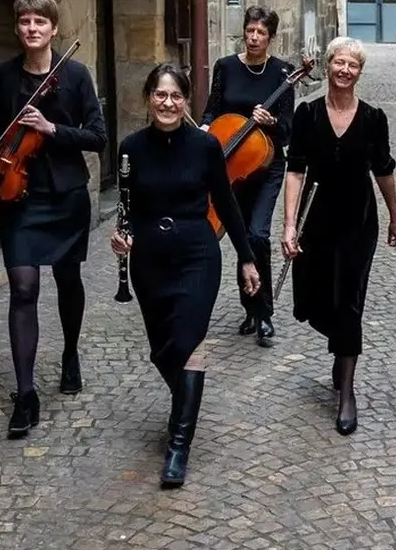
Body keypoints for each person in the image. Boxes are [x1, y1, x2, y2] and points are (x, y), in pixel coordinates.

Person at [110, 63, 259, 487]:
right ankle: (186, 402)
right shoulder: (130, 149)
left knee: (190, 344)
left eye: (176, 96)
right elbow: (128, 211)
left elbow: (227, 204)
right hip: (150, 261)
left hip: (197, 254)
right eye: (160, 94)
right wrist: (122, 237)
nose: (168, 103)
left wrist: (246, 258)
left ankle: (179, 446)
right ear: (148, 98)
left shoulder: (205, 146)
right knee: (163, 349)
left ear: (187, 101)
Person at [0, 0, 106, 439]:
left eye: (40, 22)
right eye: (25, 21)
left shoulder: (77, 76)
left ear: (53, 28)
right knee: (23, 287)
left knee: (68, 279)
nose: (32, 28)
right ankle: (25, 394)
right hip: (18, 195)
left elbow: (97, 137)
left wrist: (51, 129)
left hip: (66, 197)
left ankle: (69, 352)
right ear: (18, 27)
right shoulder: (5, 76)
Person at [281, 37, 396, 436]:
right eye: (339, 62)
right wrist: (287, 225)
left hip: (357, 221)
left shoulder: (372, 118)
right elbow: (295, 170)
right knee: (315, 301)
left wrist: (395, 218)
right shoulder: (308, 114)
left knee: (350, 301)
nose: (345, 70)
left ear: (359, 72)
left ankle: (346, 390)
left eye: (353, 65)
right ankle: (339, 341)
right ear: (328, 65)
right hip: (315, 220)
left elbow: (383, 169)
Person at [200, 6, 295, 347]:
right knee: (240, 237)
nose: (254, 38)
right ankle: (250, 307)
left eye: (261, 33)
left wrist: (270, 123)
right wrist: (205, 128)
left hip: (267, 166)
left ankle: (264, 313)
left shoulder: (282, 73)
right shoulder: (226, 67)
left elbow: (287, 131)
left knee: (257, 235)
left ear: (271, 38)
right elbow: (212, 108)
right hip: (229, 167)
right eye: (250, 31)